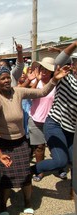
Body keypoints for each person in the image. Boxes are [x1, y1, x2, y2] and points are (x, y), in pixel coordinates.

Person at [0, 65, 70, 215]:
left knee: (25, 175)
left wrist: (55, 79)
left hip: (21, 141)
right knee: (6, 177)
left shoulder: (18, 91)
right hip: (4, 143)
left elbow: (42, 92)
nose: (6, 81)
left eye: (7, 77)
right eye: (2, 78)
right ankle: (3, 205)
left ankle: (28, 202)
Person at [32, 41, 77, 195]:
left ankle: (74, 192)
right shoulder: (66, 78)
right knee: (60, 161)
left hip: (71, 129)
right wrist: (75, 43)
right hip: (55, 125)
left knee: (74, 162)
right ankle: (31, 170)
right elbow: (58, 62)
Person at [28, 57, 57, 182]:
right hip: (35, 120)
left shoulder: (57, 84)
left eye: (47, 69)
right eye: (42, 68)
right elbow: (30, 94)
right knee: (39, 147)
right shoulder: (36, 82)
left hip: (52, 121)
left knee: (54, 146)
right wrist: (36, 81)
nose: (44, 71)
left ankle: (60, 167)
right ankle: (40, 170)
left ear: (52, 72)